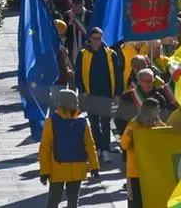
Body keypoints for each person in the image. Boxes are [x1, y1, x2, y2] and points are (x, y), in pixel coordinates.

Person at [38, 88, 99, 208]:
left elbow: (90, 145)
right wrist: (44, 171)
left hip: (66, 168)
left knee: (70, 202)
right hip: (63, 168)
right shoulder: (53, 121)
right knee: (55, 201)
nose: (77, 103)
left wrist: (94, 167)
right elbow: (45, 148)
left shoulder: (80, 121)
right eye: (74, 101)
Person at [75, 27, 122, 163]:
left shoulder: (110, 54)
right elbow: (78, 76)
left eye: (99, 38)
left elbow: (117, 74)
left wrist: (118, 93)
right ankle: (99, 148)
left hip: (106, 94)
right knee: (94, 123)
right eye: (94, 39)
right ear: (89, 39)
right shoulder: (83, 55)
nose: (97, 42)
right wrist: (82, 91)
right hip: (90, 95)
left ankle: (106, 149)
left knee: (106, 122)